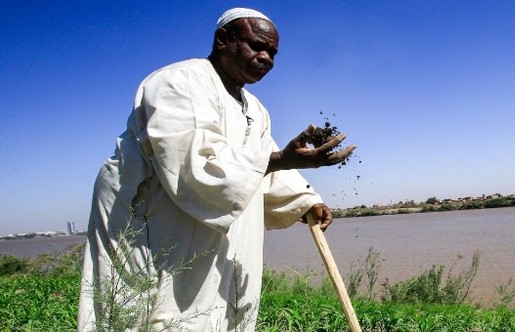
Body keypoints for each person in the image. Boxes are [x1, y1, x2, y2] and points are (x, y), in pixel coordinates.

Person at [77, 8, 355, 331]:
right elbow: (196, 167)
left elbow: (262, 164)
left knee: (216, 310)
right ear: (223, 40)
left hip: (208, 235)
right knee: (152, 313)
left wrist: (305, 201)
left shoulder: (257, 111)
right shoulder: (178, 83)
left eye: (273, 53)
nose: (266, 58)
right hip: (155, 222)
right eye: (257, 46)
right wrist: (281, 160)